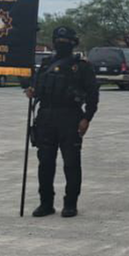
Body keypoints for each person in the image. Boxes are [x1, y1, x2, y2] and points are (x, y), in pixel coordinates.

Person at [25, 26, 98, 217]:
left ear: (73, 44)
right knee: (45, 163)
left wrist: (87, 118)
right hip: (46, 117)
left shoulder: (82, 67)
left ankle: (70, 203)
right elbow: (37, 89)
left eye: (65, 42)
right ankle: (46, 203)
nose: (61, 44)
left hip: (70, 117)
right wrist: (32, 92)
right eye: (58, 41)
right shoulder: (46, 64)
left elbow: (93, 94)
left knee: (71, 164)